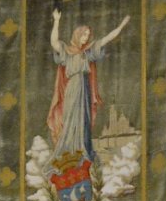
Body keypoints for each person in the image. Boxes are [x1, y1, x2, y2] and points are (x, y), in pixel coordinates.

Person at [46, 9, 130, 164]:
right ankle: (68, 151)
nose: (85, 39)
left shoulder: (88, 52)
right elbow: (53, 42)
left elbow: (106, 39)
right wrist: (56, 21)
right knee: (71, 119)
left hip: (84, 90)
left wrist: (121, 26)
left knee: (83, 120)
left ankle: (82, 150)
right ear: (77, 35)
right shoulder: (67, 52)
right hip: (72, 90)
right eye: (83, 35)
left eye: (87, 36)